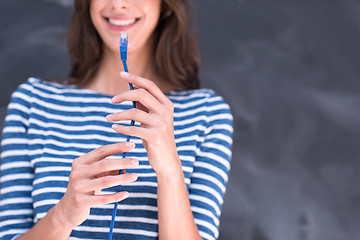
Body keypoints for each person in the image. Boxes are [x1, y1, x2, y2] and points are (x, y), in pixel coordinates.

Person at [0, 0, 233, 239]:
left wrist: (169, 171)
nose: (119, 4)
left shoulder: (206, 113)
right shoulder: (33, 102)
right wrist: (62, 216)